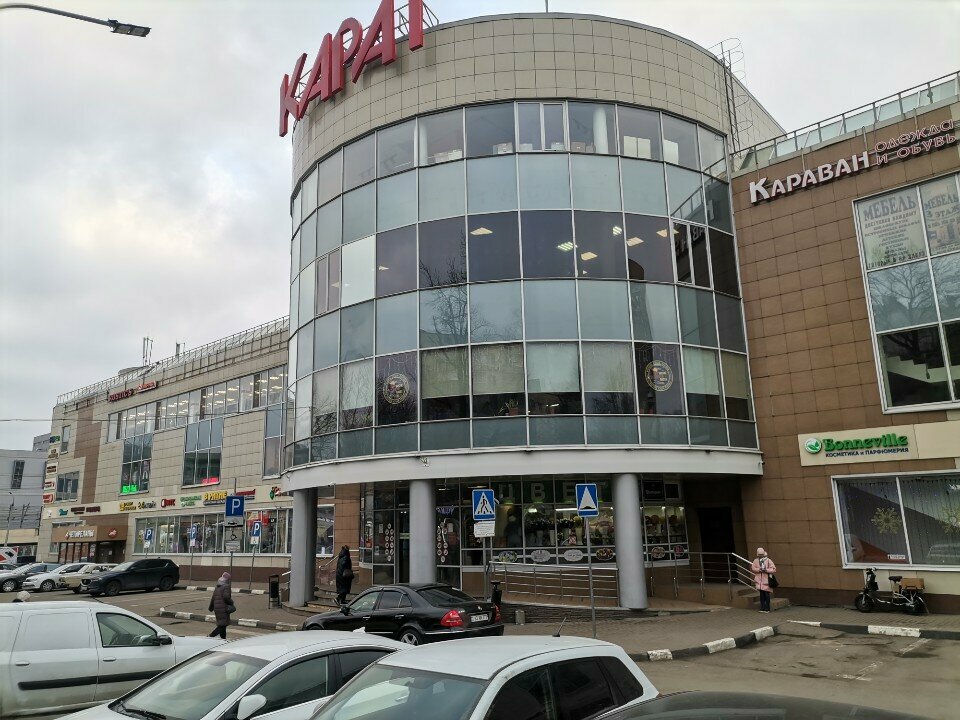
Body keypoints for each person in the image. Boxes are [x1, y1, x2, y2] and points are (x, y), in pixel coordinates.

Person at [208, 572, 234, 639]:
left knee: (222, 625)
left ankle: (223, 639)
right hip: (223, 608)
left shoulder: (218, 586)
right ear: (227, 580)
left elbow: (213, 598)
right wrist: (231, 603)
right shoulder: (226, 586)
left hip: (217, 608)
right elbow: (226, 597)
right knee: (222, 626)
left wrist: (211, 607)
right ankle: (211, 636)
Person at [751, 548, 777, 613]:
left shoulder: (768, 560)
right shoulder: (755, 561)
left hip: (766, 580)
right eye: (759, 554)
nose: (760, 556)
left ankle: (767, 608)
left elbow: (773, 569)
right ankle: (762, 608)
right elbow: (753, 568)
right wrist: (759, 569)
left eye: (761, 554)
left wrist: (766, 570)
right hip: (759, 580)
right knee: (761, 595)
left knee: (766, 594)